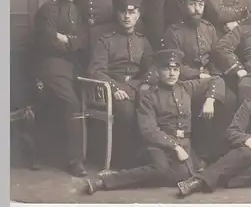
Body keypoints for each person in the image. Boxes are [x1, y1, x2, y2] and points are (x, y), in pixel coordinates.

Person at [84, 49, 226, 195]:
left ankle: (137, 174)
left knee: (183, 174)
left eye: (175, 69)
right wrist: (175, 147)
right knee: (161, 169)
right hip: (157, 145)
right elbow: (148, 129)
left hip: (184, 142)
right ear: (158, 71)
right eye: (167, 69)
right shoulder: (149, 95)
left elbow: (216, 80)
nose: (172, 74)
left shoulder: (186, 87)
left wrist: (210, 100)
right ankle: (104, 182)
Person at [176, 56, 251, 197]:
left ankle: (219, 180)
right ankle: (196, 182)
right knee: (243, 153)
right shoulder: (250, 103)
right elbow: (233, 130)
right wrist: (246, 139)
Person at [161, 0, 238, 163]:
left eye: (200, 5)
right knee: (199, 101)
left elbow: (215, 58)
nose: (197, 9)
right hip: (184, 81)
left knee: (231, 99)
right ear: (184, 5)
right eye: (192, 4)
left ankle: (220, 152)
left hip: (210, 79)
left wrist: (216, 76)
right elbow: (173, 65)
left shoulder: (208, 28)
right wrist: (197, 74)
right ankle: (201, 155)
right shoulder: (174, 31)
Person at [87, 0, 154, 169]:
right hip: (112, 90)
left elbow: (151, 69)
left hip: (137, 87)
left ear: (138, 15)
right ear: (117, 14)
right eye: (123, 12)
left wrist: (145, 84)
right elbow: (96, 70)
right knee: (126, 111)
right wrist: (114, 87)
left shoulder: (142, 40)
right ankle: (123, 161)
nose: (127, 16)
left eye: (131, 12)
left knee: (151, 106)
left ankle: (146, 156)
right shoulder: (105, 40)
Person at [34, 0, 88, 177]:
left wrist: (68, 40)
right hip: (51, 66)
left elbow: (84, 40)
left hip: (72, 65)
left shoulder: (77, 9)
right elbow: (47, 42)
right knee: (72, 103)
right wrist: (70, 42)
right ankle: (75, 161)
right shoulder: (49, 8)